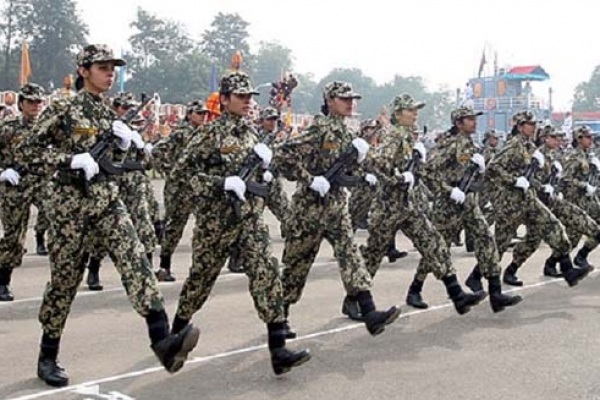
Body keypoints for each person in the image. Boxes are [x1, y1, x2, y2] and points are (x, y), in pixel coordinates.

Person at [18, 44, 199, 387]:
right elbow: (28, 152)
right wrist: (68, 160)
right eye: (102, 67)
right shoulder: (63, 107)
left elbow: (123, 163)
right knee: (64, 284)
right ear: (84, 70)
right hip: (70, 209)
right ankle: (47, 355)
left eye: (112, 67)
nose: (110, 72)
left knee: (137, 262)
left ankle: (162, 341)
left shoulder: (107, 115)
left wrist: (133, 145)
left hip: (108, 204)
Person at [169, 71, 311, 375]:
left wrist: (270, 184)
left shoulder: (252, 135)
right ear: (224, 100)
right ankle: (174, 336)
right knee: (200, 281)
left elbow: (262, 181)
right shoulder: (209, 134)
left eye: (250, 97)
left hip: (250, 222)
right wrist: (221, 182)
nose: (248, 102)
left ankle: (278, 351)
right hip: (216, 224)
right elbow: (181, 177)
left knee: (268, 276)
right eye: (241, 97)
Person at [274, 81, 400, 333]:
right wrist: (310, 179)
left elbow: (349, 172)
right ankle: (279, 320)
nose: (350, 103)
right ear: (330, 101)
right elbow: (281, 154)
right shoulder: (319, 128)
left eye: (352, 99)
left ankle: (369, 312)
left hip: (336, 207)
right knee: (296, 268)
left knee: (351, 255)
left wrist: (360, 165)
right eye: (344, 99)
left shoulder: (346, 132)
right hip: (309, 209)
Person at [361, 97, 487, 313]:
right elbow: (374, 162)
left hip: (407, 206)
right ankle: (355, 301)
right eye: (411, 110)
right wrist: (400, 178)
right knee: (373, 256)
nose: (415, 114)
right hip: (388, 207)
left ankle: (457, 294)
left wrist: (418, 166)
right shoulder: (395, 135)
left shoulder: (408, 136)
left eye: (416, 110)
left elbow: (423, 171)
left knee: (434, 243)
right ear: (398, 113)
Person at [469, 110, 592, 290]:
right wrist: (514, 181)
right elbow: (492, 169)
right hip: (510, 203)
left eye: (535, 125)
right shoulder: (513, 146)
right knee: (500, 245)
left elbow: (533, 175)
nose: (534, 128)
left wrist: (544, 179)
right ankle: (475, 276)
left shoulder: (529, 147)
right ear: (520, 127)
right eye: (530, 124)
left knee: (552, 226)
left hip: (529, 199)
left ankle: (568, 270)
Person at [0, 83, 50, 301]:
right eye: (31, 101)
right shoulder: (8, 127)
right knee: (13, 238)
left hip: (41, 182)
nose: (36, 106)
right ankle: (3, 281)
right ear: (21, 104)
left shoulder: (48, 126)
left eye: (39, 101)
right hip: (15, 186)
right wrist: (2, 171)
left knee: (61, 218)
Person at [152, 100, 209, 281]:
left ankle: (201, 266)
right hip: (179, 188)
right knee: (175, 227)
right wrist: (171, 169)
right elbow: (157, 151)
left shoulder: (204, 133)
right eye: (199, 113)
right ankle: (164, 267)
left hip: (198, 186)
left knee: (206, 224)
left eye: (204, 114)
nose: (203, 117)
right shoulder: (180, 133)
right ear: (190, 114)